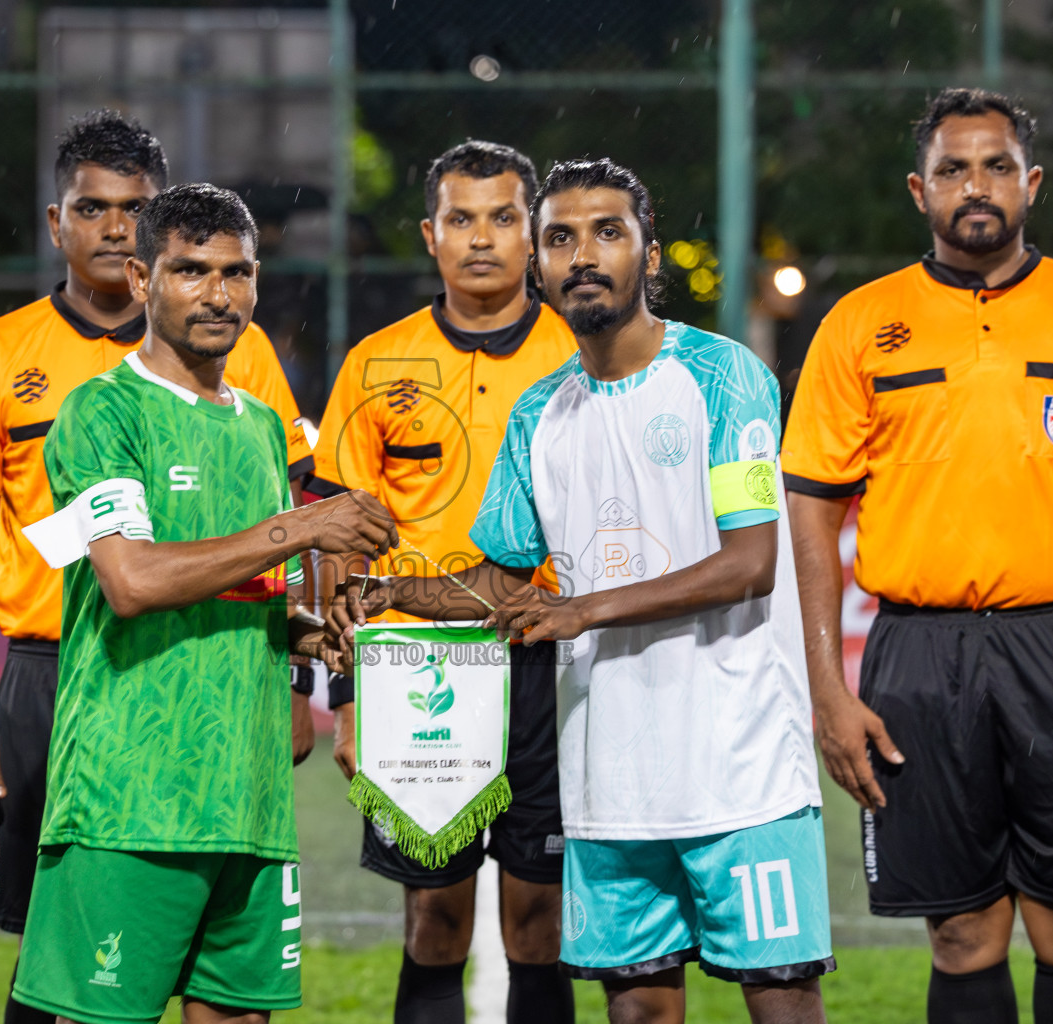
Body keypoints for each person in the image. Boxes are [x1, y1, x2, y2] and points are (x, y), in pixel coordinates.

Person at [335, 158, 834, 1024]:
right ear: (542, 261)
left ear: (648, 251)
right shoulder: (540, 413)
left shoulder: (725, 375)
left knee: (781, 1000)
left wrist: (584, 608)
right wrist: (393, 595)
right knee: (637, 1009)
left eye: (609, 232)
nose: (584, 255)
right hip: (608, 775)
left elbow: (750, 563)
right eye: (562, 237)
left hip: (740, 764)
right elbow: (502, 576)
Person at [781, 88, 1053, 1024]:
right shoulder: (858, 325)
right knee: (961, 936)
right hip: (918, 657)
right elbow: (810, 514)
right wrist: (827, 693)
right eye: (954, 169)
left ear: (1031, 183)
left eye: (997, 165)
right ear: (918, 191)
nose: (977, 185)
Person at [0, 110, 314, 1024]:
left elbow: (280, 518)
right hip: (58, 675)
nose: (115, 226)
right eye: (93, 208)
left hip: (216, 672)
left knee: (209, 966)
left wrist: (295, 672)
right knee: (58, 946)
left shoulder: (244, 371)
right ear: (58, 223)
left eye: (135, 208)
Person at [11, 183, 397, 1024]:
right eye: (191, 271)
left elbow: (249, 584)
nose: (218, 294)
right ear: (144, 279)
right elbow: (134, 581)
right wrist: (299, 527)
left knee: (238, 1017)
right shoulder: (100, 412)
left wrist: (309, 633)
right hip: (131, 798)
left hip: (251, 799)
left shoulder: (261, 425)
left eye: (237, 272)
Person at [307, 140, 578, 1024]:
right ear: (431, 234)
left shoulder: (584, 357)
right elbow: (340, 544)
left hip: (550, 663)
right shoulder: (376, 365)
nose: (483, 238)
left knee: (542, 917)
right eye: (462, 218)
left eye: (504, 218)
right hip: (416, 668)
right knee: (434, 917)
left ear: (534, 235)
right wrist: (344, 694)